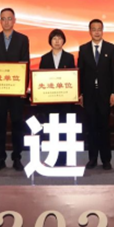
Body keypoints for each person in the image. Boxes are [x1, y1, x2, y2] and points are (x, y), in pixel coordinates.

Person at [0, 8, 30, 172]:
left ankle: (17, 158)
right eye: (3, 19)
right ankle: (1, 158)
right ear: (0, 21)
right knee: (0, 124)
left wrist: (23, 87)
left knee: (17, 123)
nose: (6, 22)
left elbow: (25, 63)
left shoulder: (22, 39)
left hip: (16, 91)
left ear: (14, 20)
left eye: (9, 18)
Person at [77, 19, 114, 170]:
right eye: (94, 29)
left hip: (105, 95)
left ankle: (106, 159)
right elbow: (80, 73)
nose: (96, 32)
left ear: (103, 31)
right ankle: (92, 158)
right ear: (89, 31)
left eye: (99, 29)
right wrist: (80, 93)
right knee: (91, 127)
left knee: (104, 127)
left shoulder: (111, 48)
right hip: (89, 95)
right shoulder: (83, 49)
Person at [39, 29, 76, 167]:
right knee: (51, 129)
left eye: (59, 38)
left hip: (65, 100)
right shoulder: (44, 58)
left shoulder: (69, 57)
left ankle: (63, 157)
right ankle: (53, 156)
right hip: (50, 100)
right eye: (54, 38)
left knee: (63, 128)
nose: (57, 41)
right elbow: (40, 79)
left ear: (63, 41)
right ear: (50, 41)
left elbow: (73, 78)